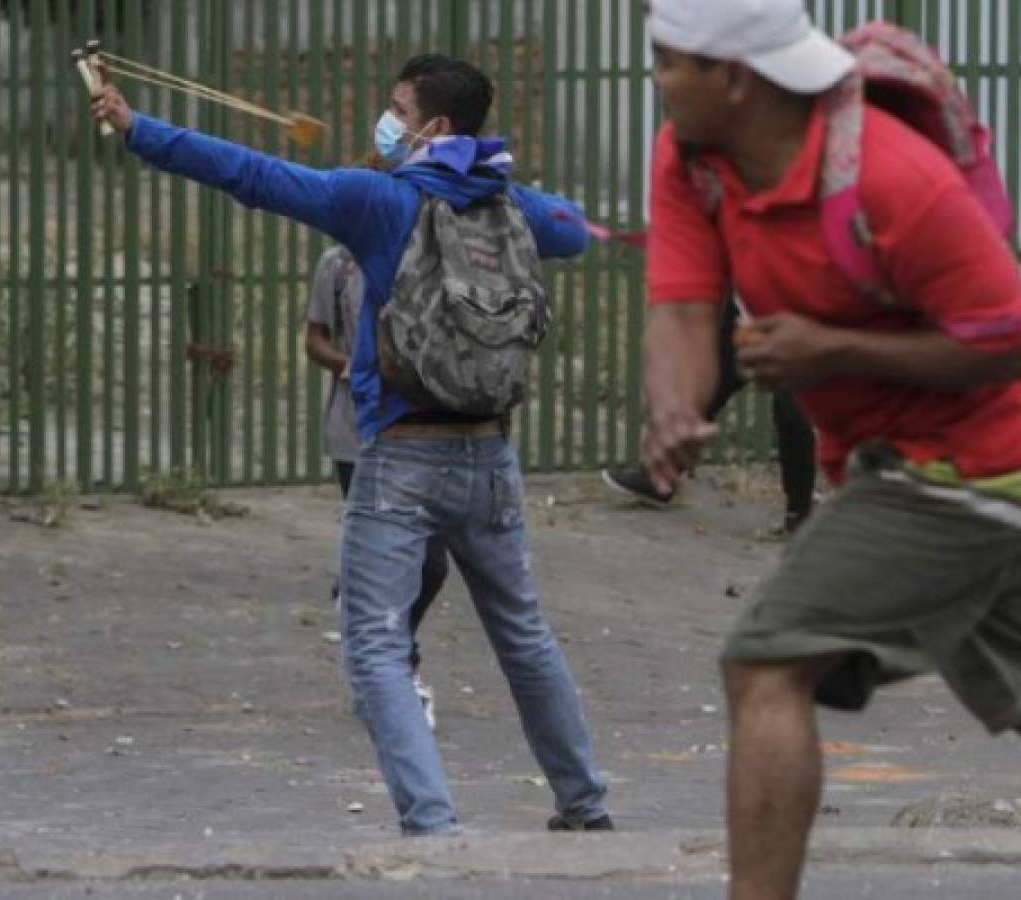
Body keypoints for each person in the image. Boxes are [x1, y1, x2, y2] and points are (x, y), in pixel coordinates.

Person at [90, 53, 610, 836]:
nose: (387, 120)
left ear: (433, 127)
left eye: (398, 108)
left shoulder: (377, 201)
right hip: (491, 454)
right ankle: (584, 803)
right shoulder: (510, 203)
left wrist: (139, 131)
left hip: (402, 453)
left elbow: (253, 175)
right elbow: (575, 232)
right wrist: (492, 180)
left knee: (373, 644)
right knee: (523, 634)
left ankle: (433, 823)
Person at [643, 1, 1021, 897]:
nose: (658, 82)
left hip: (973, 463)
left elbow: (1007, 335)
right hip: (885, 462)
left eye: (670, 63)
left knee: (766, 660)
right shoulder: (693, 161)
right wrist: (673, 410)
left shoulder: (895, 180)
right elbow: (684, 303)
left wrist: (835, 350)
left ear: (734, 77)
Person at [304, 240, 447, 729]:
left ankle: (363, 611)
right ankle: (400, 675)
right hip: (357, 432)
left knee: (430, 564)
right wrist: (353, 365)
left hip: (426, 429)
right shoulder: (340, 261)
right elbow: (315, 340)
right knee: (389, 562)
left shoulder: (437, 249)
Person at [603, 297, 817, 535]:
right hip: (746, 310)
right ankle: (658, 481)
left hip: (795, 318)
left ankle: (800, 514)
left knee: (792, 411)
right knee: (711, 385)